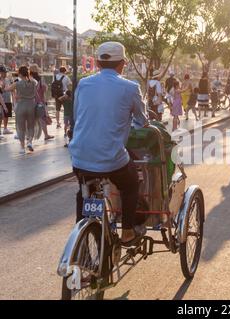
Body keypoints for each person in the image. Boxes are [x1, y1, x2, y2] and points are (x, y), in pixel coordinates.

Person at [69, 42, 148, 246]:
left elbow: (77, 117)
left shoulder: (83, 84)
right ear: (123, 64)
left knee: (83, 190)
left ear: (97, 63)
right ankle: (128, 231)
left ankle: (82, 239)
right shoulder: (130, 88)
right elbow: (142, 121)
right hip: (112, 160)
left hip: (79, 157)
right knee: (131, 184)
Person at [4, 66, 38, 154]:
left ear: (19, 73)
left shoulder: (17, 83)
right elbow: (35, 93)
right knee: (31, 126)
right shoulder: (33, 82)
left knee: (21, 127)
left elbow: (6, 89)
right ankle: (30, 142)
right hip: (31, 105)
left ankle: (22, 148)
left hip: (21, 106)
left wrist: (7, 83)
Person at [30, 64, 54, 141]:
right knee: (42, 119)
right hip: (40, 101)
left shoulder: (28, 79)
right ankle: (46, 135)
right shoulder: (40, 79)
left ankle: (29, 137)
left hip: (30, 102)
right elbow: (44, 89)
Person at [0, 66, 14, 135]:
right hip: (1, 100)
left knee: (7, 114)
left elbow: (12, 88)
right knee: (0, 115)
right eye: (3, 72)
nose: (5, 74)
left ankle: (5, 129)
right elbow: (1, 91)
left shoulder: (8, 79)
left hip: (8, 99)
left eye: (5, 72)